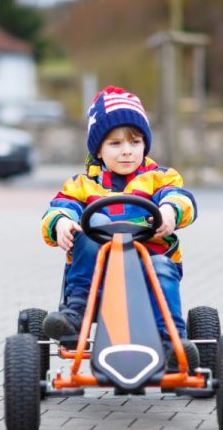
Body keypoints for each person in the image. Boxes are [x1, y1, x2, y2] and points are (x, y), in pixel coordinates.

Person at [40, 86, 198, 363]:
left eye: (135, 143)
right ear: (98, 150)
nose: (127, 152)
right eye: (115, 144)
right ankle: (75, 316)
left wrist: (169, 212)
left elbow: (180, 198)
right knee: (92, 226)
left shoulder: (159, 178)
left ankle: (171, 340)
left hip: (150, 262)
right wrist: (62, 222)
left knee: (163, 268)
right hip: (98, 273)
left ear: (145, 145)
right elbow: (59, 208)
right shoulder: (83, 185)